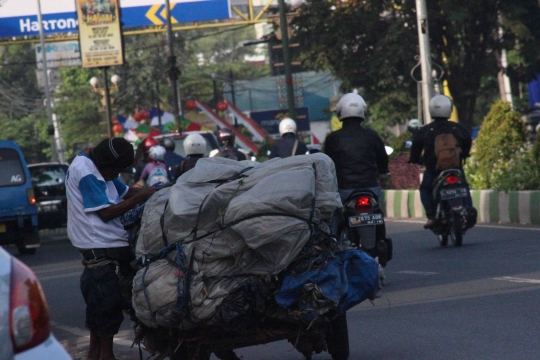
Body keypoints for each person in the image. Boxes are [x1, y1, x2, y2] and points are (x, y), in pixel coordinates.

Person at [65, 137, 156, 360]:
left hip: (105, 248)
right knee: (109, 307)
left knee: (98, 309)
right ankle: (107, 354)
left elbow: (126, 193)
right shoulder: (86, 171)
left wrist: (156, 191)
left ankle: (96, 353)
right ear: (107, 165)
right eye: (116, 170)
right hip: (101, 248)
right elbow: (106, 213)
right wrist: (142, 197)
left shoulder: (99, 168)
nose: (116, 175)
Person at [408, 94, 473, 228]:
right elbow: (467, 140)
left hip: (434, 170)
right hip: (455, 167)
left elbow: (415, 149)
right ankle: (468, 208)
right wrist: (465, 154)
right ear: (449, 109)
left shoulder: (425, 131)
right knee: (463, 185)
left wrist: (414, 160)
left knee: (425, 189)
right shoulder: (457, 128)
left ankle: (431, 216)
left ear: (431, 110)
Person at [324, 92, 389, 202]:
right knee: (377, 210)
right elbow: (383, 158)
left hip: (344, 189)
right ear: (362, 111)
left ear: (339, 111)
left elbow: (328, 164)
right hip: (371, 187)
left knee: (333, 215)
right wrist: (383, 171)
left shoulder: (333, 138)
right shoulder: (372, 135)